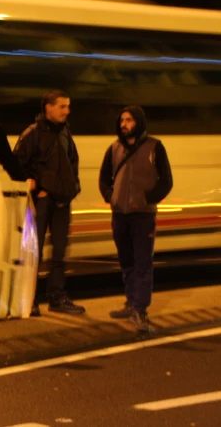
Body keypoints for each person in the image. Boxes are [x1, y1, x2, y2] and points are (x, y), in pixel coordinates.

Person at [98, 106, 173, 332]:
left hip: (143, 215)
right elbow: (103, 179)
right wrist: (112, 198)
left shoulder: (155, 147)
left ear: (138, 122)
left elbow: (166, 181)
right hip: (120, 214)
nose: (124, 124)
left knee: (142, 263)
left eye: (129, 120)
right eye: (122, 120)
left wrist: (147, 198)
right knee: (126, 262)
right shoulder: (113, 148)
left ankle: (140, 310)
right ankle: (130, 303)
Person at [13, 90, 85, 316]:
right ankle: (29, 299)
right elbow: (16, 164)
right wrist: (36, 187)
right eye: (62, 106)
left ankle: (57, 296)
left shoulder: (65, 133)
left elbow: (72, 162)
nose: (67, 111)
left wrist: (72, 189)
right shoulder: (32, 134)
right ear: (48, 108)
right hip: (42, 203)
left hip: (62, 202)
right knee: (34, 253)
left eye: (68, 106)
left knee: (59, 253)